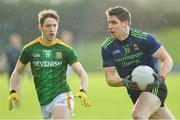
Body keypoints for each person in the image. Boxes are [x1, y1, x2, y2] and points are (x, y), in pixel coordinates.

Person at [8, 9, 90, 119]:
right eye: (48, 26)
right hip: (44, 102)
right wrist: (12, 91)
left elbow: (82, 73)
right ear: (40, 27)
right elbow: (17, 72)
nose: (52, 29)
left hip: (63, 97)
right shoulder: (30, 49)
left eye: (54, 25)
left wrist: (83, 90)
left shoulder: (65, 50)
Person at [101, 6, 174, 119]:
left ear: (125, 23)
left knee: (139, 115)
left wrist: (161, 77)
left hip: (154, 87)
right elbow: (110, 79)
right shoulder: (107, 47)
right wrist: (124, 81)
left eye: (114, 22)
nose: (110, 26)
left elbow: (167, 59)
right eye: (108, 22)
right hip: (135, 93)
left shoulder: (143, 39)